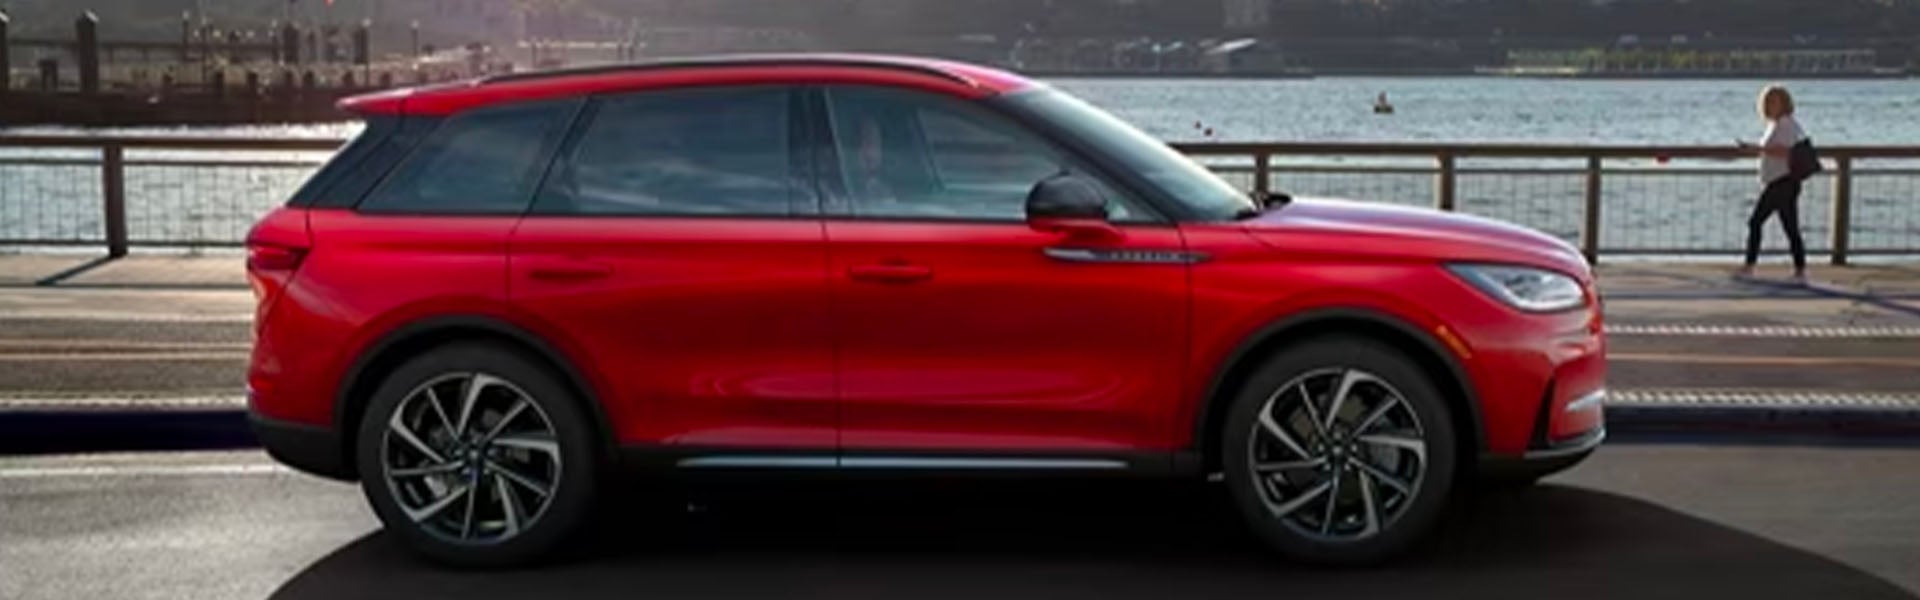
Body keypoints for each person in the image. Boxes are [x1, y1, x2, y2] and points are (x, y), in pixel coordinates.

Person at [1735, 85, 1807, 282]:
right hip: (1780, 181)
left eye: (1775, 101)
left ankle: (1749, 266)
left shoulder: (1785, 124)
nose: (1771, 105)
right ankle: (1800, 269)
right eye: (1768, 102)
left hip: (1782, 181)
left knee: (1756, 221)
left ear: (1784, 103)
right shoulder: (1778, 124)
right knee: (1790, 226)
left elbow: (1785, 151)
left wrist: (1757, 149)